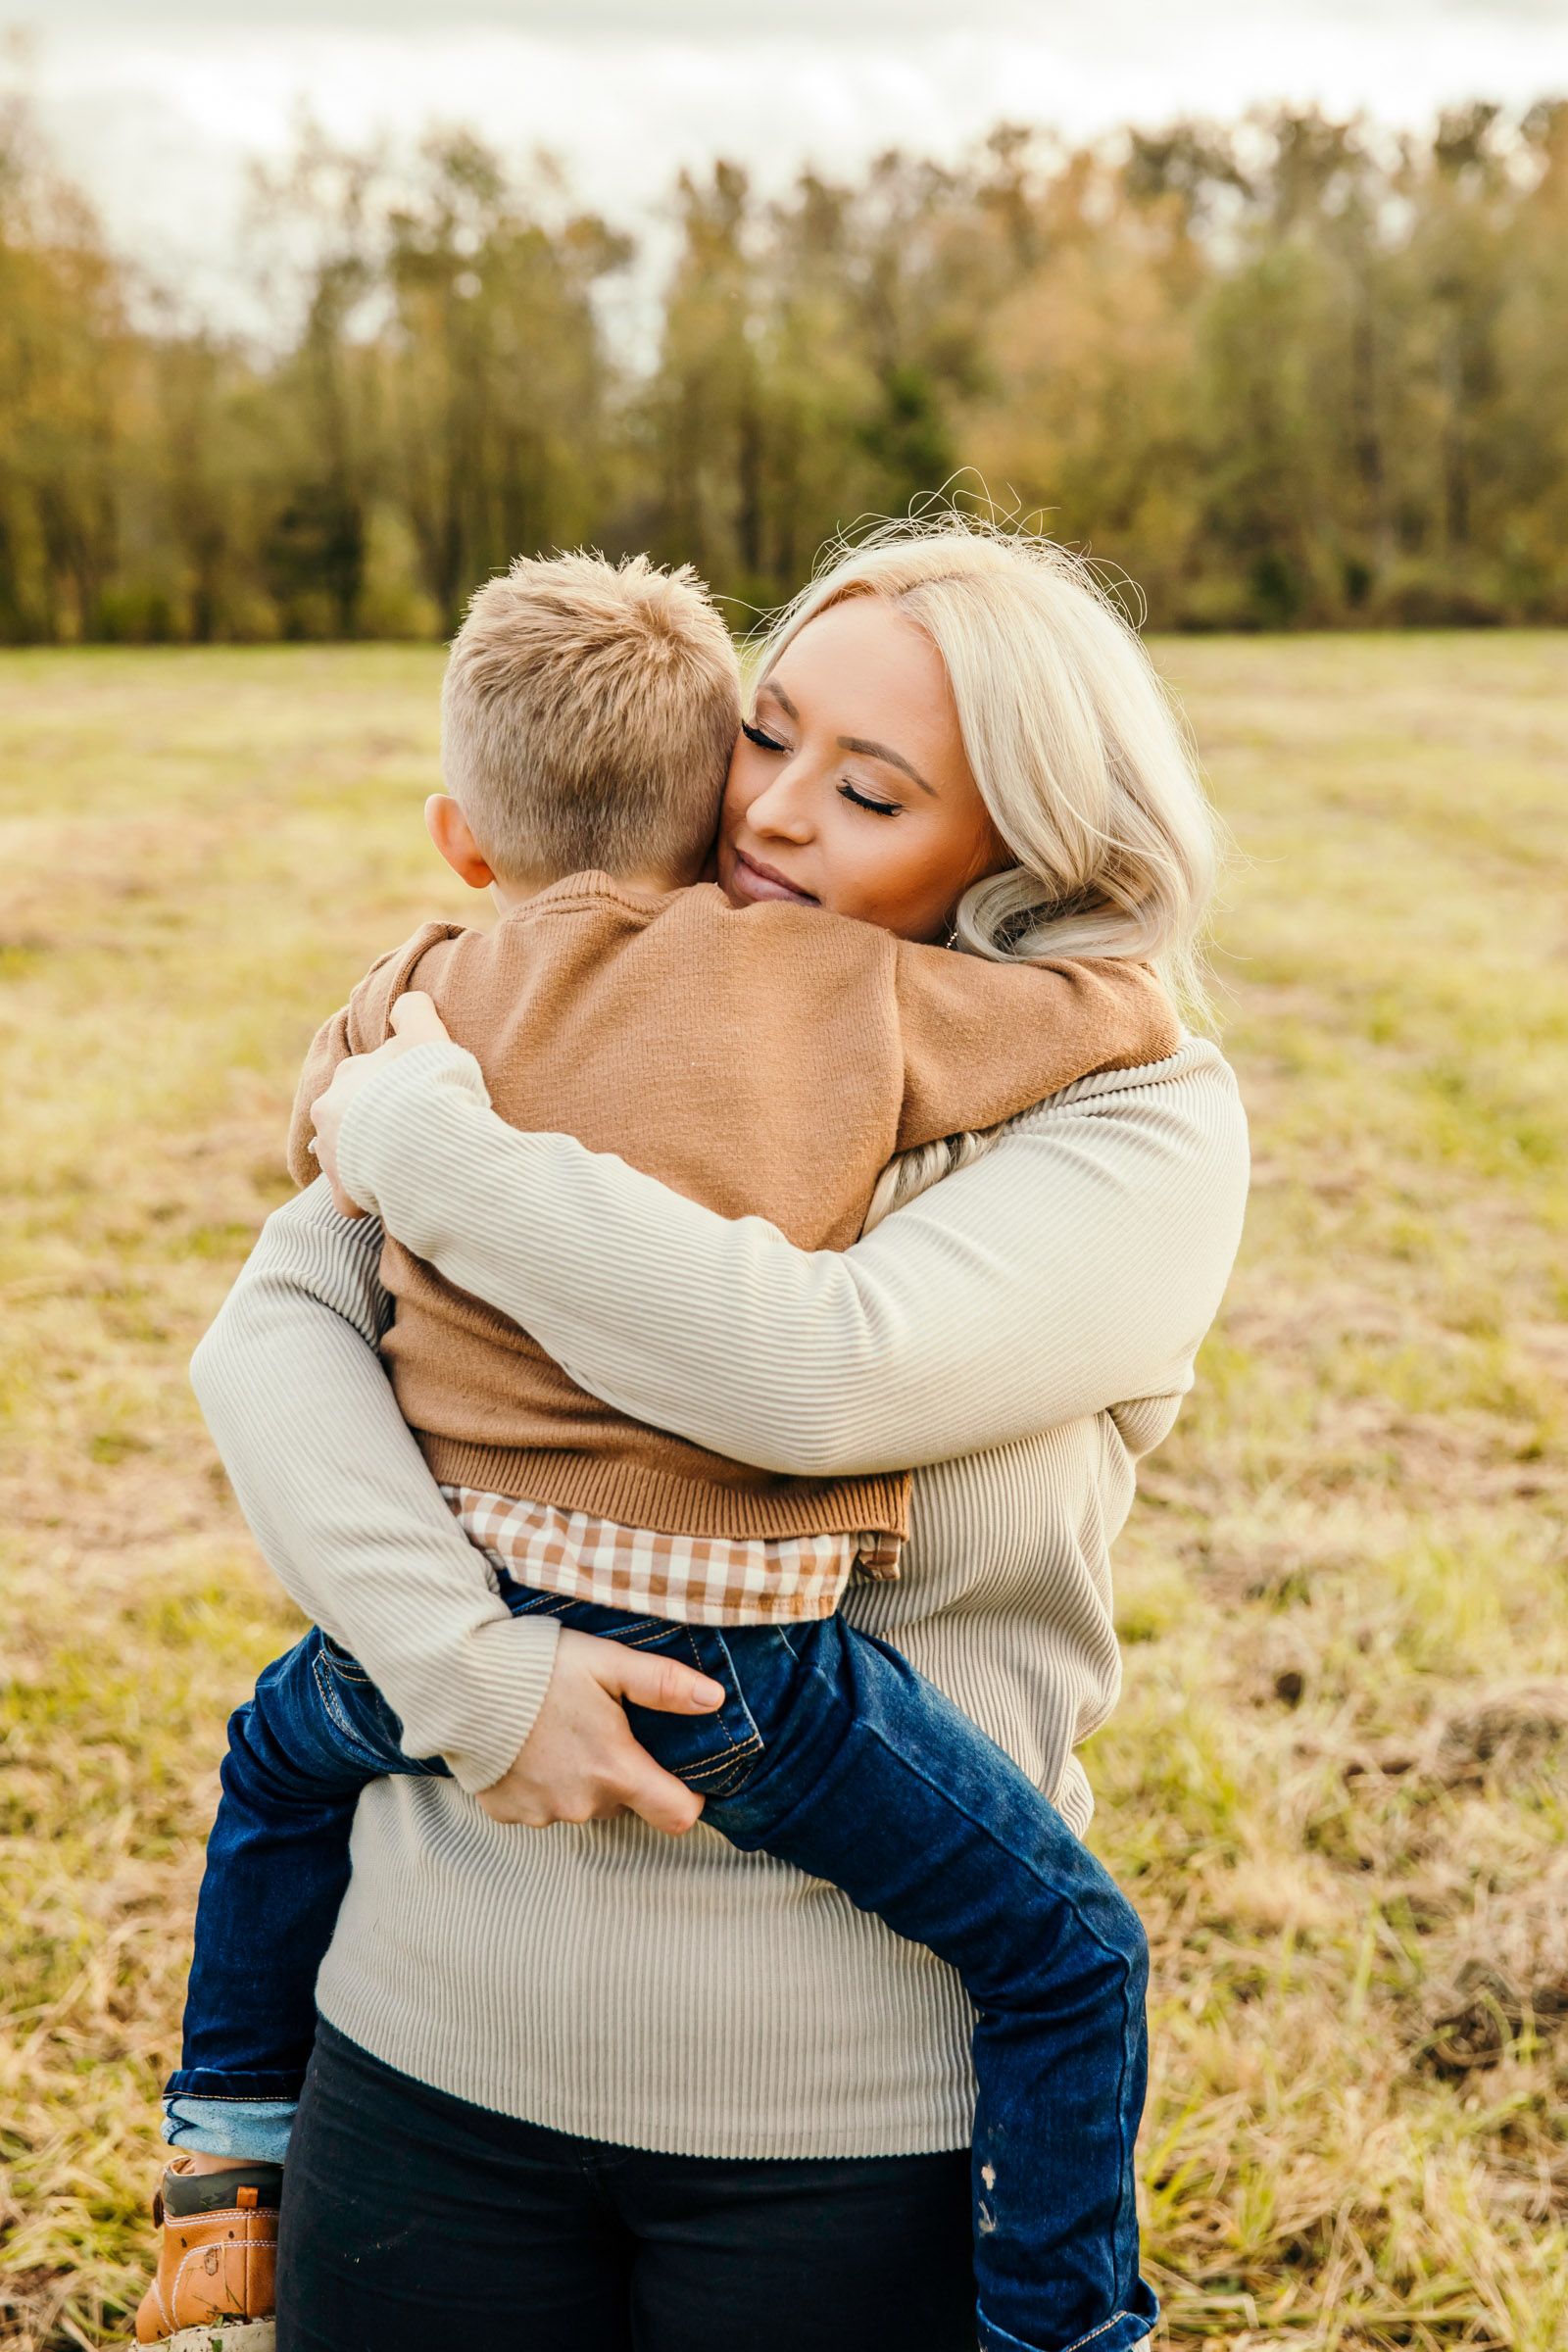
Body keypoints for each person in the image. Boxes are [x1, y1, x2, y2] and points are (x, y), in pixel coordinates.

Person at [183, 518, 1250, 2352]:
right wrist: (466, 1671)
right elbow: (277, 1334)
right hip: (425, 2042)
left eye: (874, 788)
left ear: (1032, 848)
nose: (768, 812)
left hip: (848, 2131)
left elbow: (812, 1375)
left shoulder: (1123, 1113)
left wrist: (430, 1141)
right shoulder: (564, 1001)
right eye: (767, 733)